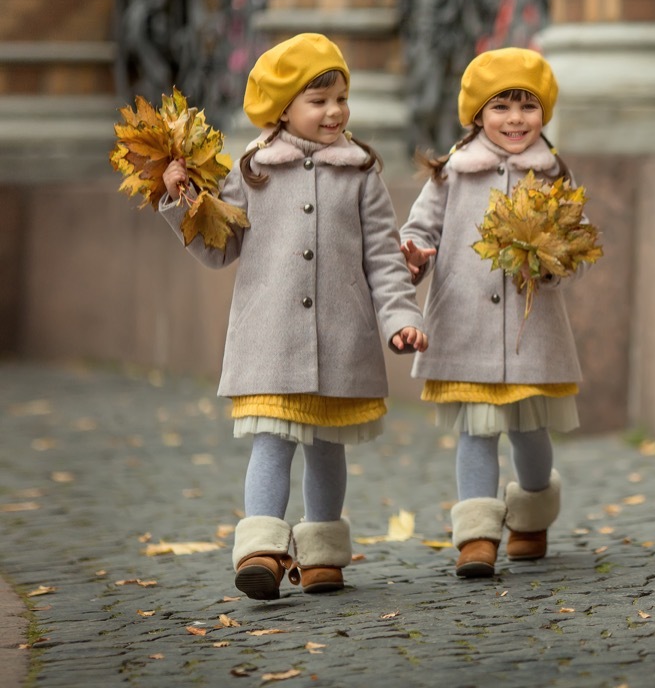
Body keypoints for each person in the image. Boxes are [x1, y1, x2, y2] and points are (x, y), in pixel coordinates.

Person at [159, 32, 428, 600]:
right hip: (270, 338)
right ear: (282, 108)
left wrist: (400, 319)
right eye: (318, 100)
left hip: (342, 338)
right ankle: (260, 549)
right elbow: (218, 249)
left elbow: (382, 255)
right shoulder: (252, 170)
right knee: (272, 441)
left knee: (327, 445)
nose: (334, 112)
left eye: (341, 98)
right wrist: (183, 201)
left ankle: (324, 554)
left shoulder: (361, 174)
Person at [399, 47, 588, 578]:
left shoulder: (552, 175)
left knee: (531, 434)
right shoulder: (451, 175)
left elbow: (577, 242)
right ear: (478, 114)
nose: (515, 120)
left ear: (543, 115)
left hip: (533, 331)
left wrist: (555, 263)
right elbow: (420, 229)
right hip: (465, 326)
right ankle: (477, 536)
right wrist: (412, 255)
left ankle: (530, 512)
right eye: (501, 107)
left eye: (527, 108)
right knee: (476, 431)